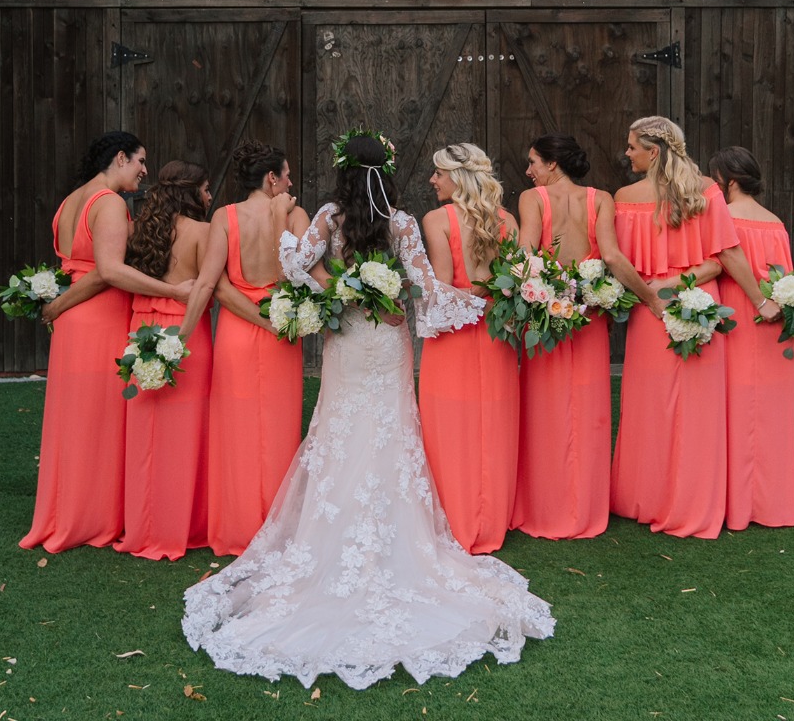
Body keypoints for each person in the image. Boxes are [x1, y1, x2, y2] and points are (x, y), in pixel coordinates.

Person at [181, 130, 554, 689]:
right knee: (388, 435)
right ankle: (397, 549)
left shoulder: (329, 216)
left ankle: (329, 548)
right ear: (387, 172)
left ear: (343, 172)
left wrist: (337, 290)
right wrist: (481, 301)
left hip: (349, 343)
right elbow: (425, 289)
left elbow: (295, 266)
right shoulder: (402, 223)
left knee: (339, 429)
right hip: (387, 343)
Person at [21, 132, 195, 554]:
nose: (144, 170)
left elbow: (79, 265)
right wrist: (171, 291)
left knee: (74, 420)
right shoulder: (110, 203)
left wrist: (59, 306)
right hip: (99, 321)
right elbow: (108, 272)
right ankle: (94, 517)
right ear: (120, 158)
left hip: (73, 324)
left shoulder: (70, 201)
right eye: (139, 161)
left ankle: (67, 512)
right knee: (98, 418)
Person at [610, 117, 780, 539]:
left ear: (654, 151)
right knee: (694, 413)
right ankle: (693, 502)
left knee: (651, 407)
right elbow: (724, 256)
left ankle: (645, 499)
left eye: (633, 146)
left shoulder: (625, 198)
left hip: (651, 310)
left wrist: (657, 287)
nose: (626, 153)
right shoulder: (705, 191)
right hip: (700, 304)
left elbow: (619, 263)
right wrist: (757, 299)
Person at [511, 133, 666, 540]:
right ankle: (585, 509)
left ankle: (545, 508)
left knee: (543, 410)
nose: (528, 171)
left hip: (546, 315)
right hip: (590, 316)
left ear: (553, 164)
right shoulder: (601, 198)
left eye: (533, 162)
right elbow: (612, 257)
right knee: (587, 412)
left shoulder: (532, 200)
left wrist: (537, 294)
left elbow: (525, 253)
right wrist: (649, 297)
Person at [178, 139, 309, 557]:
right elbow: (299, 276)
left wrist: (179, 338)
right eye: (286, 175)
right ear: (272, 179)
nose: (291, 183)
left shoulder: (224, 217)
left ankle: (237, 529)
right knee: (278, 429)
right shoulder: (296, 215)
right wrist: (274, 321)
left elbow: (211, 283)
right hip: (281, 332)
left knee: (235, 430)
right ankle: (278, 529)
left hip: (236, 334)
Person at [708, 146, 794, 530]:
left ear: (728, 181)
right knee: (775, 410)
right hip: (778, 322)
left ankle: (741, 503)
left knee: (740, 405)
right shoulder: (775, 222)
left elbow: (724, 259)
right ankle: (778, 499)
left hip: (743, 314)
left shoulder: (725, 216)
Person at [418, 143, 519, 554]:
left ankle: (455, 521)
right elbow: (511, 276)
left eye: (438, 173)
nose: (432, 179)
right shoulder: (506, 220)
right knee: (493, 422)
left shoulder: (436, 219)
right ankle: (490, 521)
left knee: (450, 427)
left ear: (456, 177)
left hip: (453, 338)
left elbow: (444, 285)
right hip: (497, 332)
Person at [113, 160, 215, 560]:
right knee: (186, 435)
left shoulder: (142, 231)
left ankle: (142, 527)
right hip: (185, 333)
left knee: (145, 436)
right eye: (205, 189)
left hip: (141, 329)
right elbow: (207, 288)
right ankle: (182, 527)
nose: (210, 197)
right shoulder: (203, 233)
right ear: (191, 192)